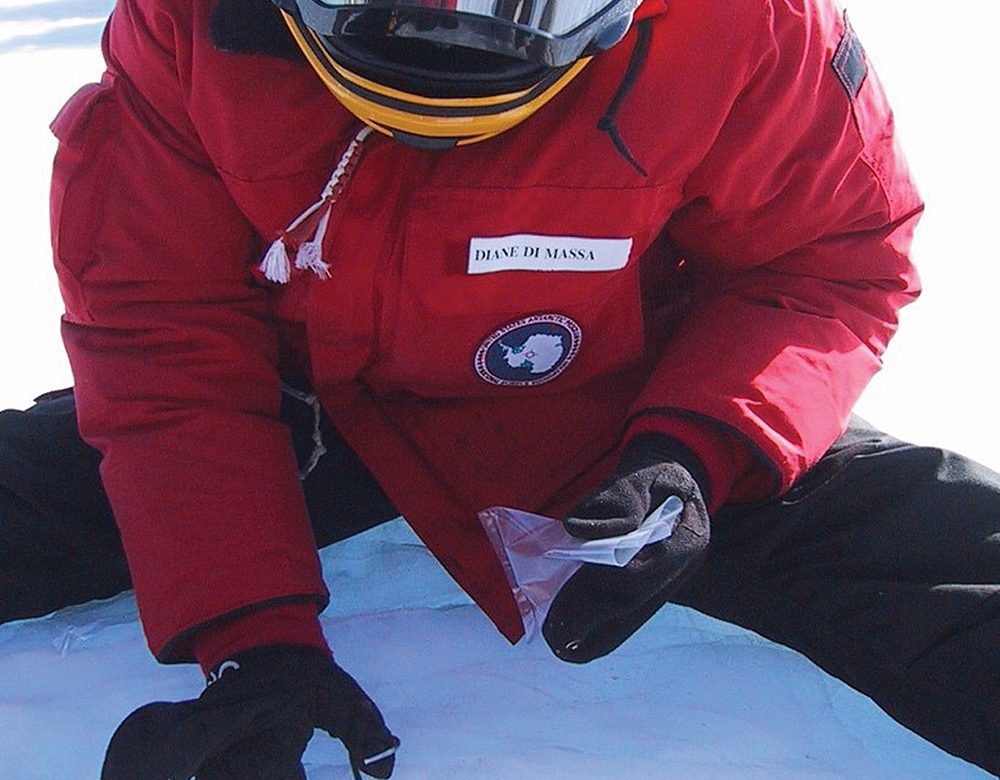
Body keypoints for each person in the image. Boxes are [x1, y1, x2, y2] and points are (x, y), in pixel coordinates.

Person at [1, 0, 997, 776]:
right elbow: (165, 336)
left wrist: (697, 453)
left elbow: (823, 258)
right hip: (298, 405)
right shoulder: (191, 25)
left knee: (941, 564)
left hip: (618, 402)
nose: (441, 39)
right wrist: (250, 637)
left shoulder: (743, 24)